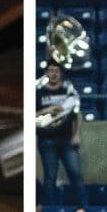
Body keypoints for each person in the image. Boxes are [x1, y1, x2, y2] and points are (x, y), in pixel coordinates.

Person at [35, 61, 82, 199]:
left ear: (60, 74)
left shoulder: (69, 93)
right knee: (50, 177)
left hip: (67, 139)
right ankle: (50, 211)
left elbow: (77, 114)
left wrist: (76, 135)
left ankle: (83, 208)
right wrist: (46, 110)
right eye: (50, 70)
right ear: (46, 74)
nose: (54, 73)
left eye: (56, 71)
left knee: (76, 174)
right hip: (46, 140)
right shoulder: (38, 93)